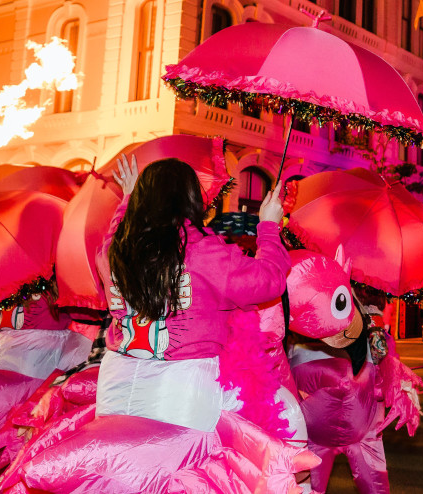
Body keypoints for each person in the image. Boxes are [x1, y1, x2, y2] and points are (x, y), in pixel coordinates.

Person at [99, 157, 290, 431]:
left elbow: (117, 230)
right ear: (190, 198)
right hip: (181, 386)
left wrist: (128, 196)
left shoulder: (112, 250)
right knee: (185, 468)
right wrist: (269, 227)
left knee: (120, 468)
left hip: (116, 380)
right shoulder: (204, 252)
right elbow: (269, 281)